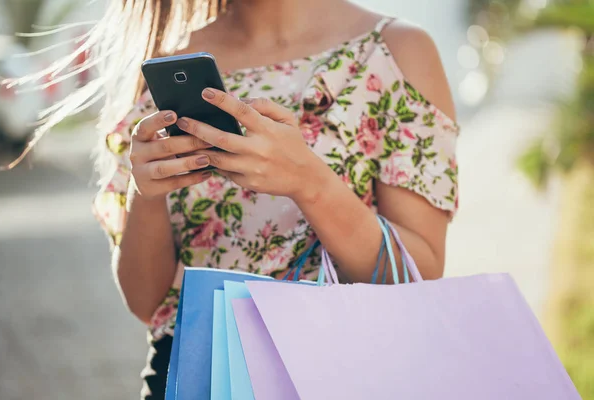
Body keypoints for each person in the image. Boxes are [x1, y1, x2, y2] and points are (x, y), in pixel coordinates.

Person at [38, 0, 459, 398]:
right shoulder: (168, 67)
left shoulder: (393, 52)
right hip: (193, 375)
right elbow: (147, 303)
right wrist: (145, 193)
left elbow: (417, 278)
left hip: (344, 372)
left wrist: (310, 183)